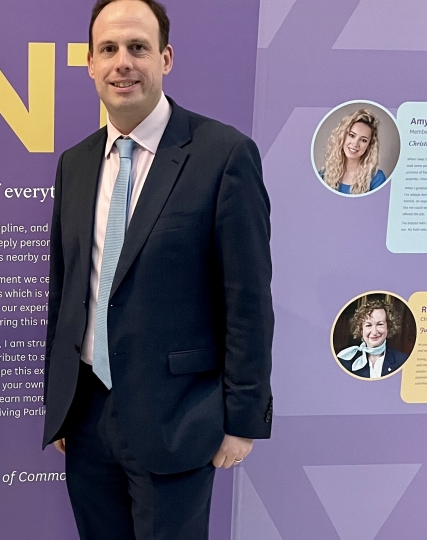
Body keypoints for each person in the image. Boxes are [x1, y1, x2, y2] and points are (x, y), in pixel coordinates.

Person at [42, 1, 274, 538]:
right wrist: (60, 403)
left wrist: (242, 421)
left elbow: (247, 302)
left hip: (179, 420)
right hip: (86, 418)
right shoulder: (74, 164)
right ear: (90, 64)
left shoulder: (224, 155)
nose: (123, 62)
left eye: (138, 48)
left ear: (165, 58)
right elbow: (66, 291)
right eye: (109, 49)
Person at [337, 299, 409, 379]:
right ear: (361, 330)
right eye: (368, 325)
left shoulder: (403, 361)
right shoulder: (345, 361)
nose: (374, 332)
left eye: (380, 324)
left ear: (388, 327)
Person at [320, 109, 386, 195]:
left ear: (369, 146)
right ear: (342, 136)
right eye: (352, 135)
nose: (355, 144)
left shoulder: (377, 179)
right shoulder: (323, 175)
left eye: (363, 140)